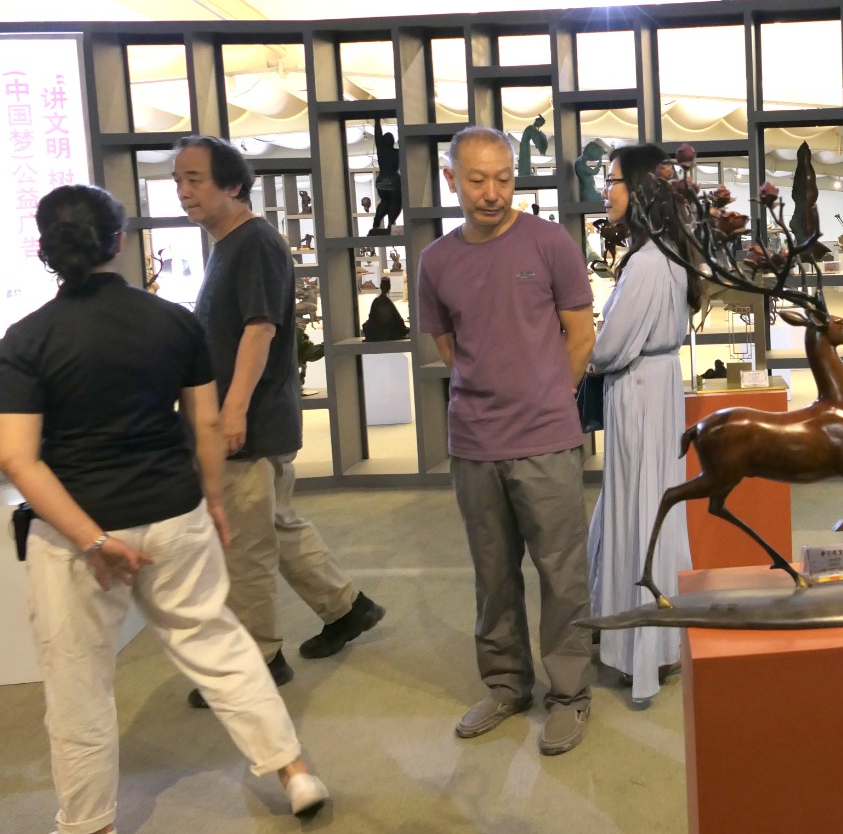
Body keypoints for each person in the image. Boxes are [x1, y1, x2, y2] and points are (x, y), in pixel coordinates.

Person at [0, 185, 329, 831]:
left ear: (45, 249)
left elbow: (17, 459)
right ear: (118, 242)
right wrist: (213, 500)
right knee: (218, 645)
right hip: (174, 513)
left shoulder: (27, 339)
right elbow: (205, 423)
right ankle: (294, 773)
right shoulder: (173, 322)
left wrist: (94, 541)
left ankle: (89, 824)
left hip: (75, 540)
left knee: (77, 686)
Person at [174, 136, 385, 710]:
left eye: (195, 179)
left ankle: (259, 659)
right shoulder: (229, 244)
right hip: (250, 417)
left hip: (249, 421)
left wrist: (233, 409)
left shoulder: (254, 243)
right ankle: (347, 608)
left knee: (245, 547)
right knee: (277, 523)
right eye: (179, 180)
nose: (183, 190)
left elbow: (260, 329)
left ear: (231, 184)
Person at [417, 125, 596, 753]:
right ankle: (506, 684)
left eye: (503, 178)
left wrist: (549, 394)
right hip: (474, 442)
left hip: (546, 439)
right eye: (477, 180)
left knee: (562, 573)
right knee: (492, 575)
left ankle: (569, 694)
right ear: (451, 180)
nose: (492, 192)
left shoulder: (549, 242)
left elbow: (581, 333)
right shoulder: (437, 260)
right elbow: (448, 345)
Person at [587, 143, 700, 703]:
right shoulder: (668, 253)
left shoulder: (648, 261)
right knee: (651, 504)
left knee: (638, 505)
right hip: (657, 386)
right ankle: (655, 642)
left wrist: (586, 348)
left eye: (613, 181)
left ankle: (641, 648)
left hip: (637, 390)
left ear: (640, 190)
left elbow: (608, 349)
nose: (606, 192)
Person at [370, 130, 401, 234]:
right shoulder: (397, 152)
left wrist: (377, 122)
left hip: (381, 182)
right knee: (395, 202)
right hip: (393, 181)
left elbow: (377, 137)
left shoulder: (381, 151)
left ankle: (376, 222)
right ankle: (391, 223)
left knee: (385, 202)